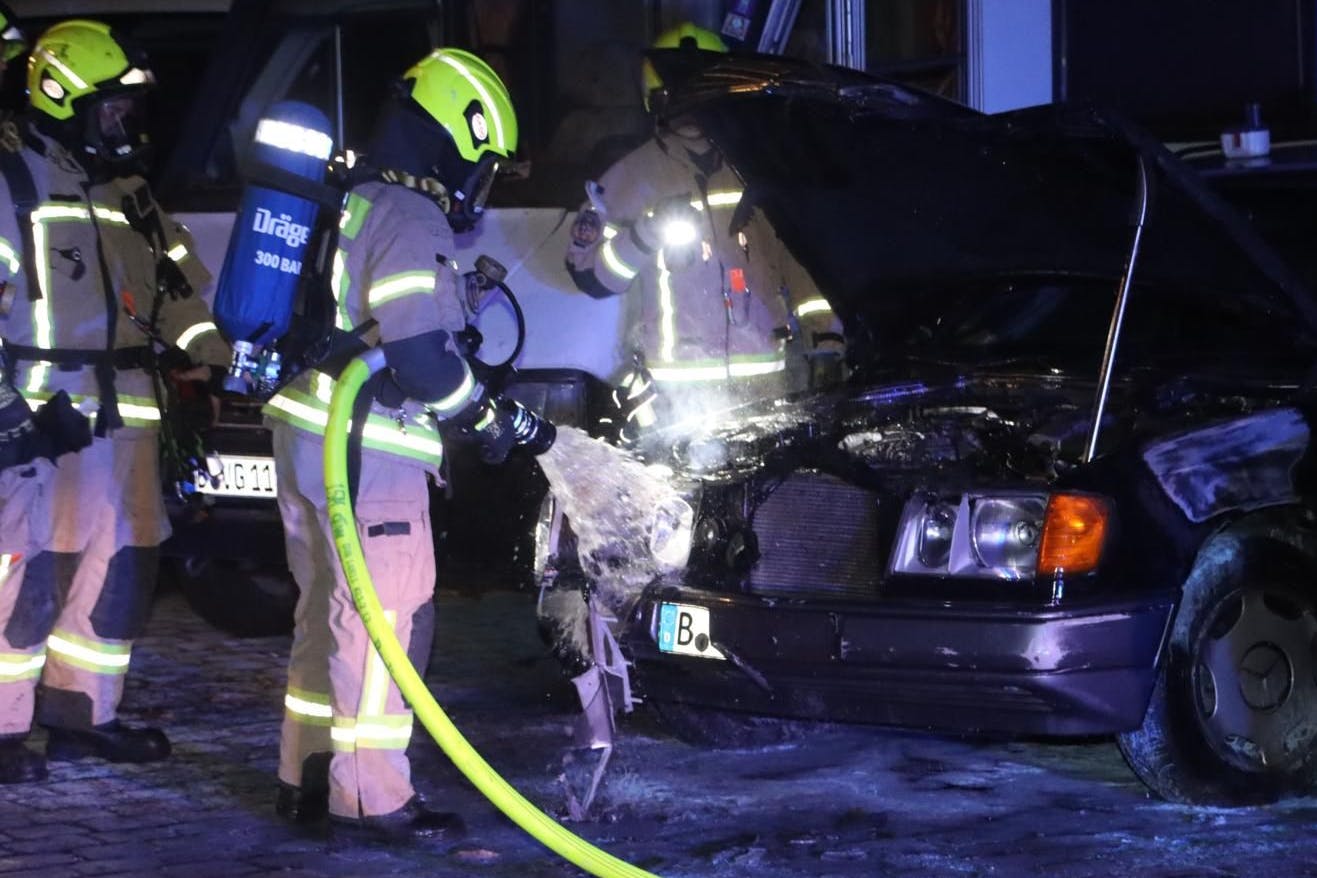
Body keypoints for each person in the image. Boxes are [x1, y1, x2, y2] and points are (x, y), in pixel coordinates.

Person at [264, 47, 552, 845]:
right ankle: (373, 798)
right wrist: (487, 421)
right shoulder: (408, 213)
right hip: (370, 452)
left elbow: (383, 327)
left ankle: (307, 778)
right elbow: (422, 359)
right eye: (483, 161)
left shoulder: (353, 199)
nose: (479, 183)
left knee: (327, 617)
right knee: (385, 622)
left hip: (309, 435)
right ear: (459, 132)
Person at [0, 19, 228, 784]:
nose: (124, 124)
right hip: (44, 423)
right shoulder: (11, 181)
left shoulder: (132, 196)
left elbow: (178, 293)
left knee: (120, 570)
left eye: (128, 110)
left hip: (128, 416)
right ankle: (2, 728)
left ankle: (82, 717)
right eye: (111, 108)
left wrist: (211, 358)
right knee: (33, 576)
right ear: (63, 98)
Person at [565, 22, 846, 447]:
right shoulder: (631, 177)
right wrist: (645, 233)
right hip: (674, 405)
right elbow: (588, 275)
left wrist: (827, 339)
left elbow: (799, 259)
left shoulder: (760, 169)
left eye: (703, 98)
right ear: (659, 103)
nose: (693, 114)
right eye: (682, 100)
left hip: (767, 393)